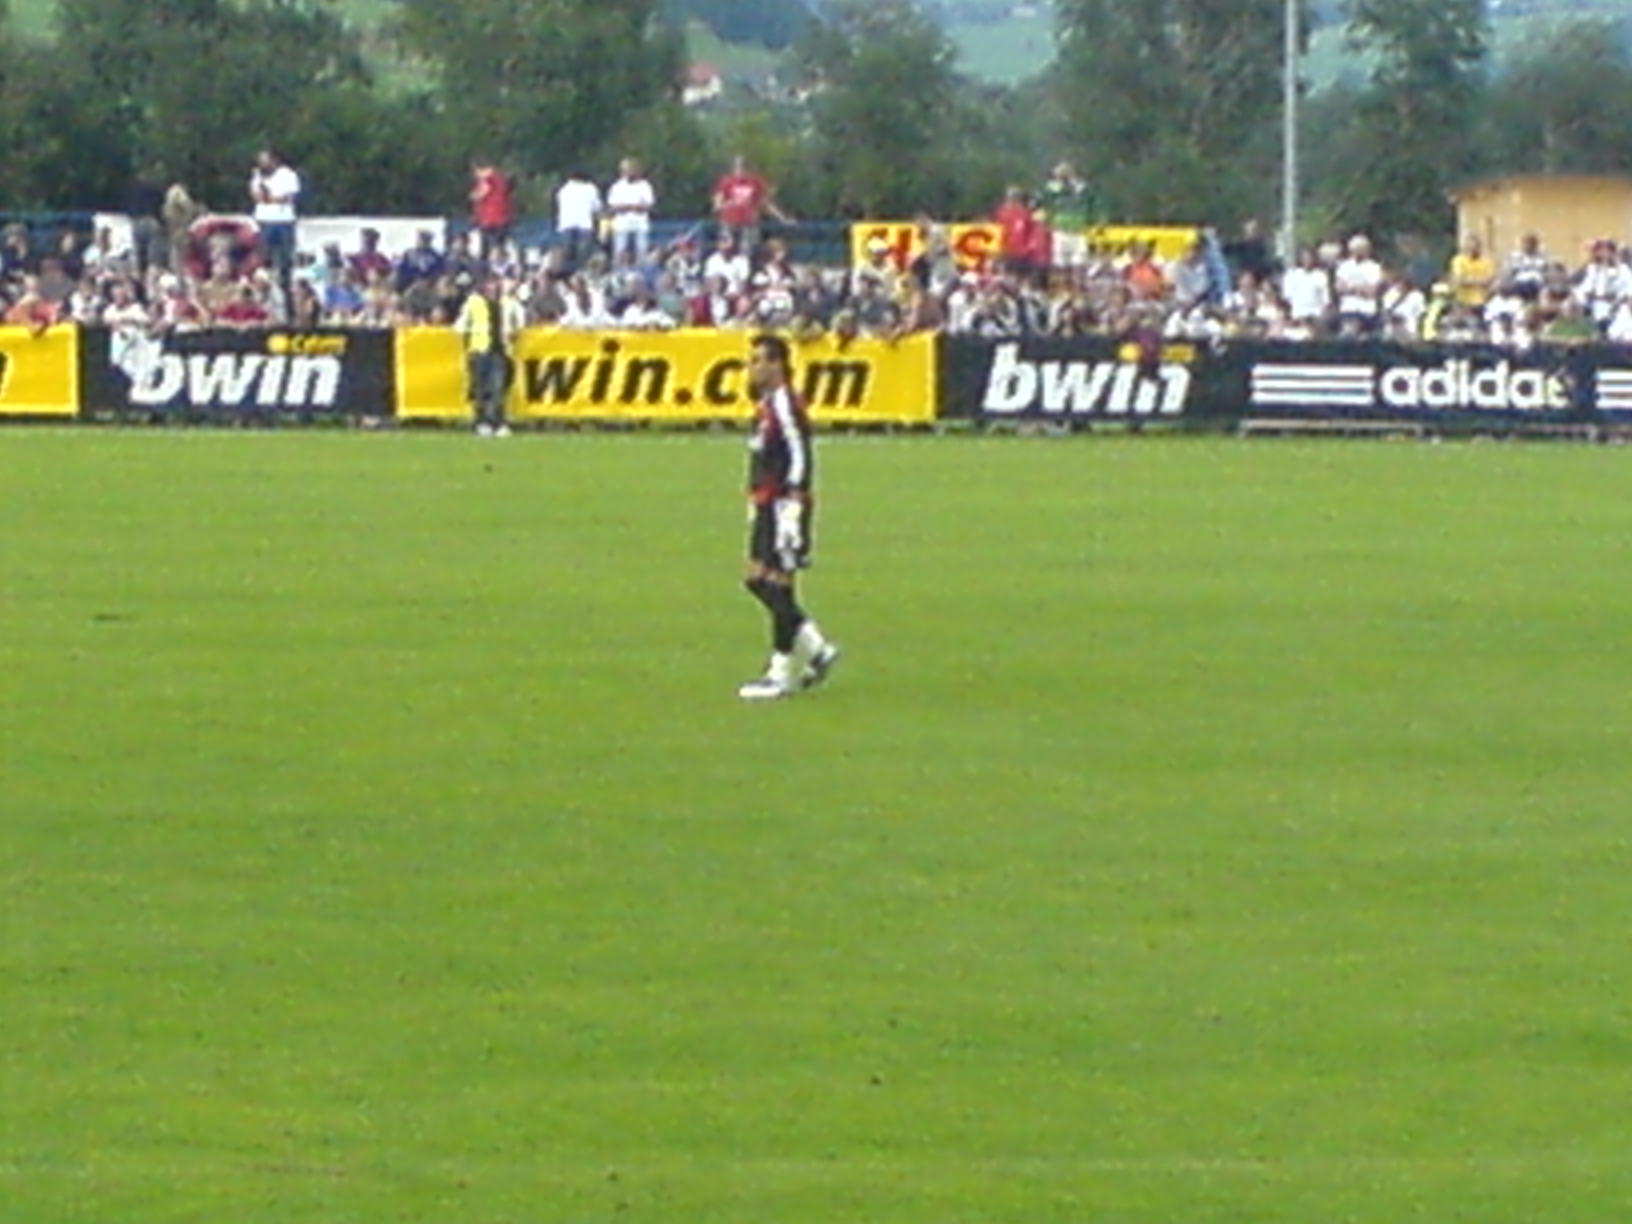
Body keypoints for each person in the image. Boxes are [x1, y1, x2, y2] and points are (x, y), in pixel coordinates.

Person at [738, 333, 839, 701]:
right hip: (767, 503)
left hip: (783, 505)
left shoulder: (785, 403)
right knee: (757, 580)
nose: (753, 368)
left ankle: (780, 673)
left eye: (759, 360)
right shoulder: (766, 404)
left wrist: (795, 502)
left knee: (778, 584)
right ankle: (816, 649)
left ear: (777, 364)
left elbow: (800, 453)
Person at [454, 273, 525, 437]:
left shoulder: (508, 303)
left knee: (498, 389)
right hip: (480, 350)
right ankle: (481, 422)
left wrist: (514, 332)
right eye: (490, 283)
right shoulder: (473, 302)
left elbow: (520, 322)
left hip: (500, 350)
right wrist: (469, 346)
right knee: (480, 389)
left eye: (495, 283)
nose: (493, 287)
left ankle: (498, 422)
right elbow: (461, 326)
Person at [248, 148, 301, 292]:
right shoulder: (257, 176)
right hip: (264, 221)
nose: (262, 163)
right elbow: (257, 196)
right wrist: (270, 198)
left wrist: (271, 198)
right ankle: (264, 287)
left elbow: (289, 197)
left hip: (284, 221)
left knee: (285, 259)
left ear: (274, 160)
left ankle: (285, 288)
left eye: (265, 160)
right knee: (264, 257)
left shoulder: (288, 175)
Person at [469, 161, 515, 261]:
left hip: (490, 219)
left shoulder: (488, 180)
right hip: (504, 218)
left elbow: (482, 193)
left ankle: (485, 265)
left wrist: (474, 195)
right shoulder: (501, 179)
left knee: (486, 246)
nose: (476, 175)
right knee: (500, 244)